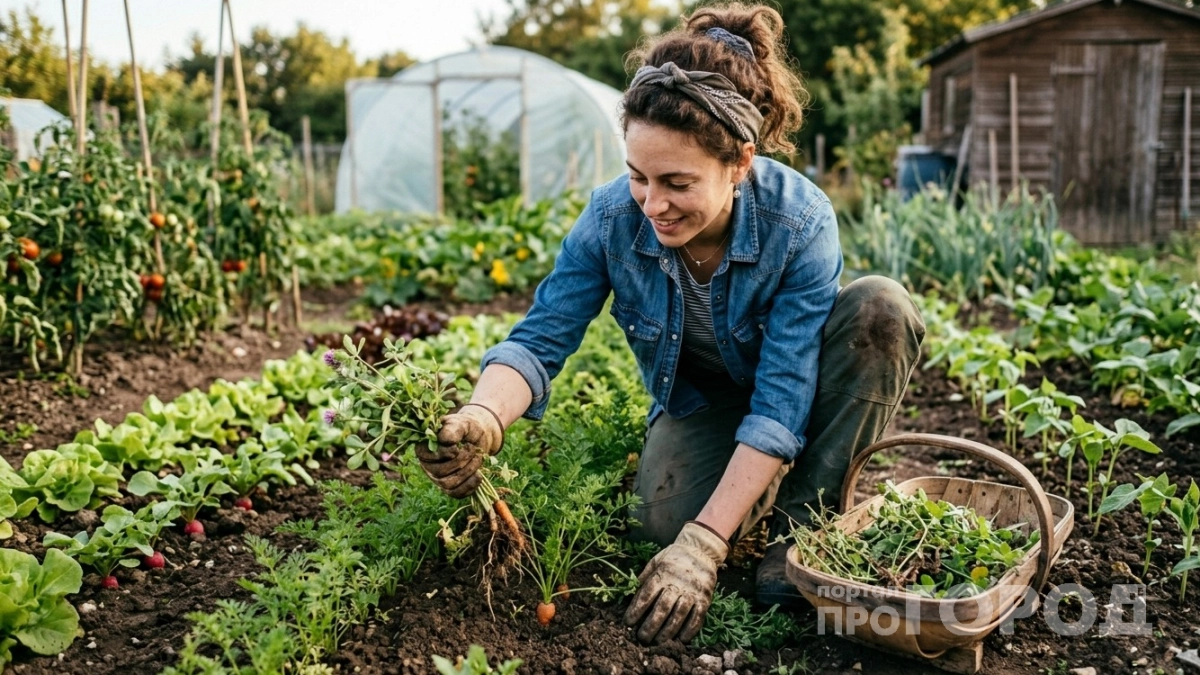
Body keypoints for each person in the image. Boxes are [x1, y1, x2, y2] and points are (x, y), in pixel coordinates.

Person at [417, 1, 925, 646]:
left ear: (740, 163)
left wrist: (708, 545)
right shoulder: (610, 218)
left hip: (805, 386)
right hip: (705, 400)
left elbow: (783, 393)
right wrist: (483, 416)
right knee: (660, 527)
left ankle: (805, 528)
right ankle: (750, 489)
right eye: (638, 177)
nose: (653, 204)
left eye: (677, 182)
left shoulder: (799, 221)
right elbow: (540, 338)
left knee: (881, 306)